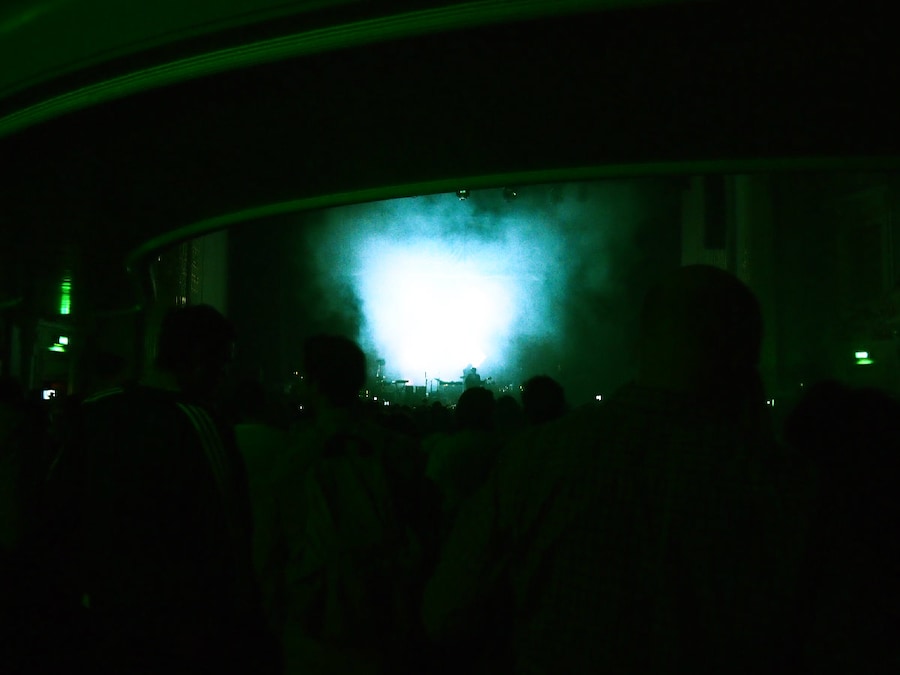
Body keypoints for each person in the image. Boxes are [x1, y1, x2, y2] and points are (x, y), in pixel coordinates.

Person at [423, 265, 799, 674]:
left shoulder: (537, 455)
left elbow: (446, 614)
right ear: (749, 355)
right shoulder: (782, 485)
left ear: (641, 342)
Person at [46, 304, 277, 674]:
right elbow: (231, 532)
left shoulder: (95, 411)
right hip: (177, 627)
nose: (225, 376)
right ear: (201, 359)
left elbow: (57, 508)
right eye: (224, 363)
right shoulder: (200, 423)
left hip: (102, 613)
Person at [272, 334, 430, 675]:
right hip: (386, 620)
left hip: (316, 627)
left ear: (313, 384)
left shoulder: (292, 460)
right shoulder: (399, 452)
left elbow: (274, 547)